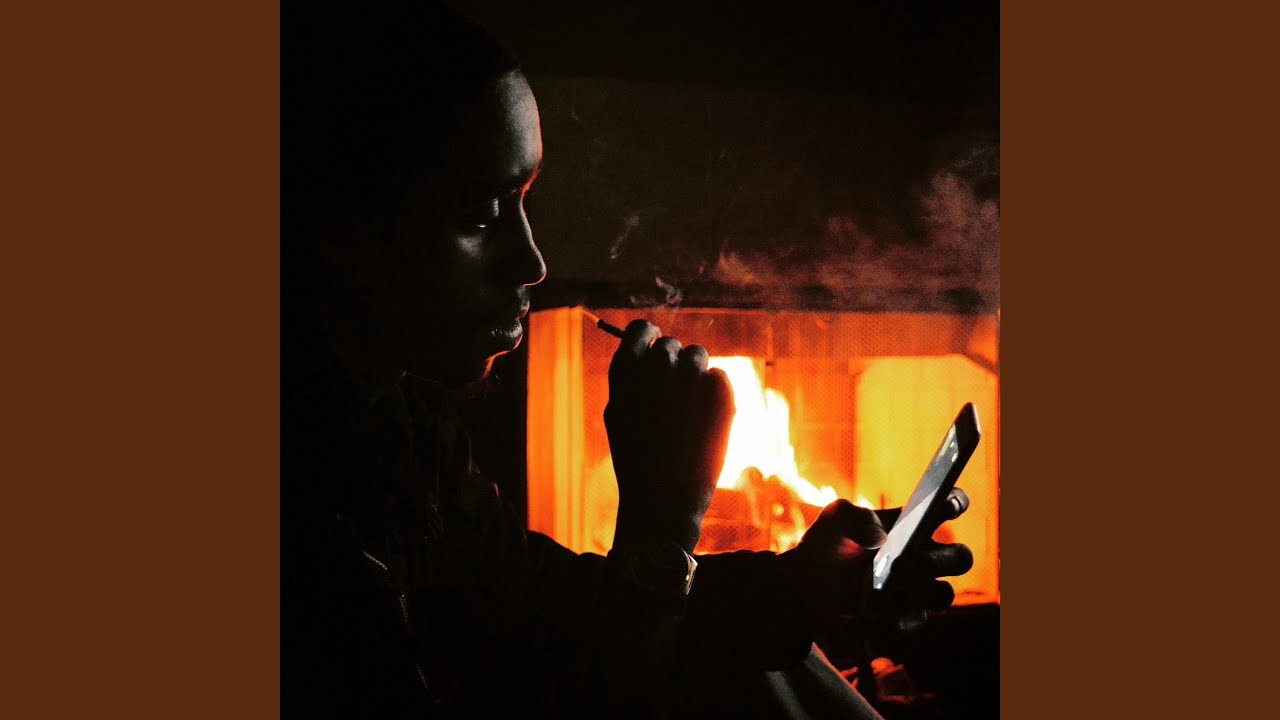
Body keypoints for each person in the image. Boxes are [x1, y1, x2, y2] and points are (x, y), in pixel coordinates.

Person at [281, 3, 973, 718]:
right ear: (341, 229)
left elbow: (543, 606)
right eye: (480, 217)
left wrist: (800, 586)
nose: (532, 263)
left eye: (523, 200)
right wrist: (663, 516)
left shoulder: (403, 423)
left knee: (769, 662)